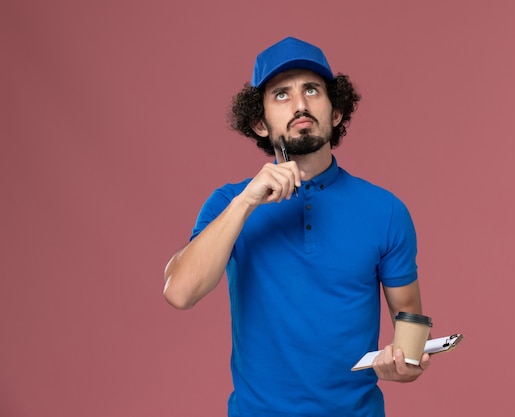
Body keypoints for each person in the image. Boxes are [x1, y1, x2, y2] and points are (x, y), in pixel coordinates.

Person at [164, 36, 430, 417]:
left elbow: (410, 325)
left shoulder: (386, 211)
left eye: (311, 90)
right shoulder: (228, 204)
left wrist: (405, 364)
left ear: (335, 112)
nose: (300, 104)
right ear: (259, 122)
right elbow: (180, 292)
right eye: (282, 95)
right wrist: (247, 202)